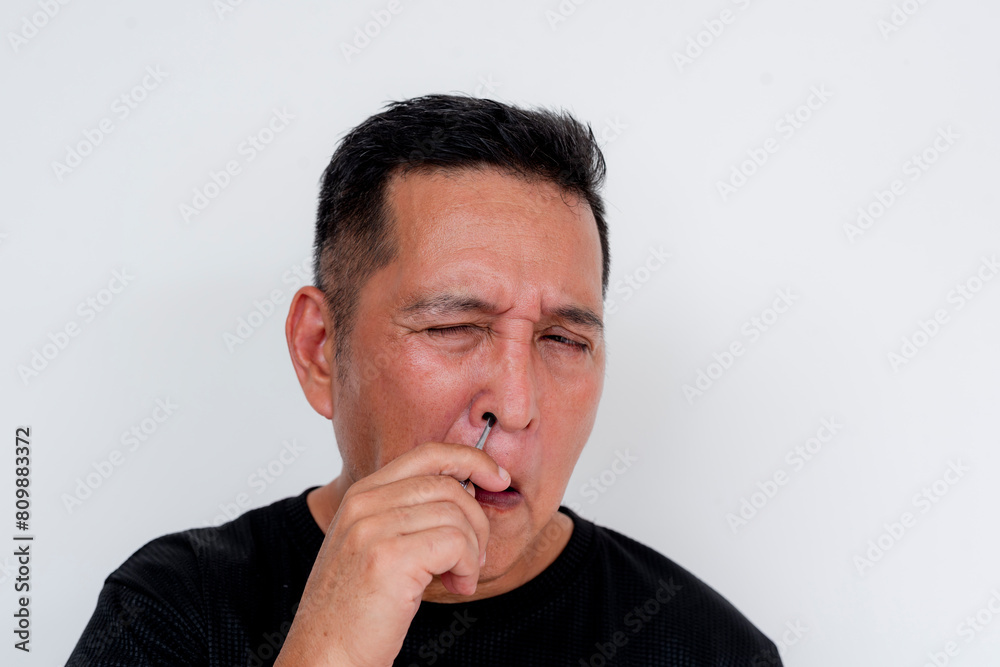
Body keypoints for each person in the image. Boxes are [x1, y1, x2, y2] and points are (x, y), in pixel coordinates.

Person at [68, 94, 782, 666]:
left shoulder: (706, 647)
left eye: (563, 339)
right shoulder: (173, 611)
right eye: (453, 328)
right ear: (321, 349)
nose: (516, 402)